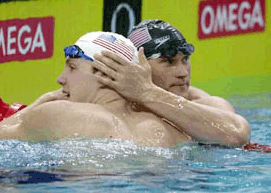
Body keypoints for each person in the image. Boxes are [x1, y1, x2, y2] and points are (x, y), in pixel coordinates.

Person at [0, 31, 191, 147]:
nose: (60, 79)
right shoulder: (171, 128)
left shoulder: (58, 113)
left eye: (72, 67)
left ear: (104, 74)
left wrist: (42, 101)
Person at [91, 19, 251, 147]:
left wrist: (147, 93)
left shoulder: (205, 104)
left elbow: (236, 134)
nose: (183, 72)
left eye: (185, 60)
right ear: (137, 66)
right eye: (169, 62)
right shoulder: (113, 103)